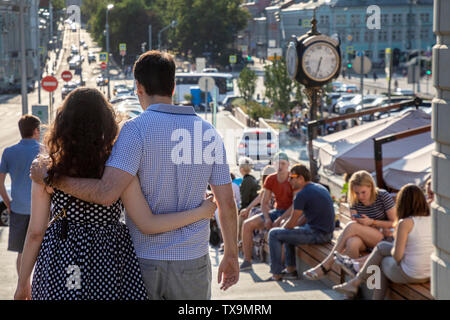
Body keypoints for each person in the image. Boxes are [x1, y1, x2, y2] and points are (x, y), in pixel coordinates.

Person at [30, 51, 239, 299]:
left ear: (138, 87)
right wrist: (231, 255)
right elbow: (226, 203)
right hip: (193, 259)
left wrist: (53, 178)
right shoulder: (208, 133)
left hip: (143, 260)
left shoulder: (134, 131)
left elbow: (106, 192)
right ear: (173, 86)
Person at [333, 184, 433, 300]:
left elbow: (397, 257)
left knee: (381, 262)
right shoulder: (432, 219)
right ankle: (355, 278)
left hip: (413, 274)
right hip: (430, 272)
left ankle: (355, 281)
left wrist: (396, 241)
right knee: (382, 247)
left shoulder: (405, 223)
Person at [303, 170, 396, 280]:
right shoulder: (354, 200)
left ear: (371, 186)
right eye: (357, 193)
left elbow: (394, 223)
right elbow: (356, 225)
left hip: (384, 238)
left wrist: (372, 222)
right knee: (352, 243)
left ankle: (326, 264)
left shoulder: (382, 196)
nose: (360, 196)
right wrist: (361, 223)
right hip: (364, 237)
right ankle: (352, 287)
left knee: (352, 226)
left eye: (363, 192)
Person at [267, 164, 335, 281]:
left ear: (301, 178)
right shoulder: (319, 188)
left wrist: (282, 227)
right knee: (289, 233)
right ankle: (290, 271)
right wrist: (286, 228)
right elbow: (303, 218)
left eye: (291, 177)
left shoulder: (302, 194)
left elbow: (291, 224)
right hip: (327, 233)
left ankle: (276, 274)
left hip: (317, 234)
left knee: (274, 234)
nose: (289, 180)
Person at [0, 115, 41, 276]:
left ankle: (23, 286)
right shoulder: (44, 150)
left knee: (22, 251)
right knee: (42, 250)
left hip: (18, 209)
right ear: (36, 131)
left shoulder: (9, 152)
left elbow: (0, 182)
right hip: (41, 210)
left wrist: (9, 204)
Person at [240, 152, 293, 271]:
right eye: (278, 163)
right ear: (274, 164)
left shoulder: (292, 178)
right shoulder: (271, 179)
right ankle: (247, 260)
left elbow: (296, 205)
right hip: (276, 211)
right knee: (247, 224)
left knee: (282, 229)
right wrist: (267, 218)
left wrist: (280, 219)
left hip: (289, 213)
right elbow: (264, 202)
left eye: (283, 163)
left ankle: (280, 267)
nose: (280, 166)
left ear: (288, 164)